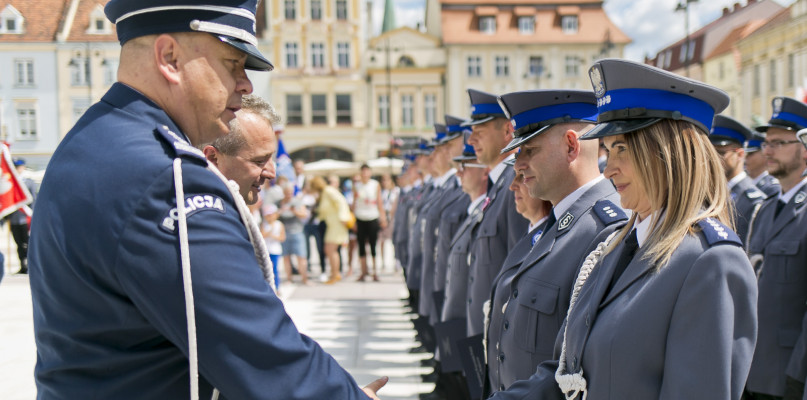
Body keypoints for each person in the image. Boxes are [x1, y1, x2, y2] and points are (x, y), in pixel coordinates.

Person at [27, 1, 386, 398]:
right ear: (169, 58)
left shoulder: (91, 142)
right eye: (233, 63)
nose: (246, 84)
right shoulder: (166, 177)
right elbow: (256, 345)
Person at [491, 58, 757, 400]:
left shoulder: (710, 263)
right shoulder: (614, 249)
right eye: (609, 149)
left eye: (621, 148)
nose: (610, 167)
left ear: (667, 153)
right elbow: (565, 375)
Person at [485, 89, 628, 395]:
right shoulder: (553, 225)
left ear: (571, 145)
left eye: (529, 150)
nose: (518, 164)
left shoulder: (606, 231)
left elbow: (580, 365)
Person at [746, 96, 807, 400]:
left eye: (779, 142)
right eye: (767, 142)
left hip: (789, 374)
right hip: (753, 369)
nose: (767, 150)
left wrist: (797, 374)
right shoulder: (765, 210)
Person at [463, 88, 529, 339]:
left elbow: (519, 266)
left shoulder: (515, 184)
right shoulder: (498, 183)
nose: (471, 141)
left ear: (507, 132)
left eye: (479, 133)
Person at [432, 133, 489, 400]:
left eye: (465, 166)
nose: (459, 173)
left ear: (484, 172)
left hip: (479, 319)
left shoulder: (490, 206)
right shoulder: (475, 208)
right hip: (462, 312)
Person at [202, 94, 278, 206]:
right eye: (260, 161)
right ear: (213, 158)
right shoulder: (200, 220)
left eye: (271, 157)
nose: (272, 173)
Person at [708, 115, 766, 244]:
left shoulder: (754, 200)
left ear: (740, 154)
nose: (714, 159)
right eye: (711, 153)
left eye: (721, 153)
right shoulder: (710, 193)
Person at [311, 175, 352, 285]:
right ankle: (335, 273)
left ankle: (335, 274)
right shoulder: (324, 193)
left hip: (337, 223)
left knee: (330, 249)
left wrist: (343, 217)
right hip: (332, 225)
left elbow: (341, 202)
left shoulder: (328, 191)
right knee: (329, 249)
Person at [353, 164, 386, 281]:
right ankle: (363, 271)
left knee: (373, 245)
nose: (365, 174)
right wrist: (353, 220)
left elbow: (379, 202)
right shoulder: (357, 185)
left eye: (367, 171)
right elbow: (354, 202)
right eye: (363, 171)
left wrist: (383, 217)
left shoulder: (375, 185)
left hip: (372, 216)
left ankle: (375, 272)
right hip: (360, 216)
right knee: (361, 246)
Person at [278, 183, 310, 285]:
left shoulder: (297, 201)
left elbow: (304, 215)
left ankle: (305, 279)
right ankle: (289, 279)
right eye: (287, 193)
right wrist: (280, 211)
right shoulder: (279, 203)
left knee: (301, 257)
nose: (289, 195)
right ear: (283, 193)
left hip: (297, 232)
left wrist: (294, 211)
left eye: (290, 193)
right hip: (285, 233)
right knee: (286, 257)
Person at [8, 158, 36, 274]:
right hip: (15, 217)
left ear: (23, 167)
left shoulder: (28, 182)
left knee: (28, 243)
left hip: (26, 217)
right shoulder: (11, 182)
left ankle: (31, 266)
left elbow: (33, 199)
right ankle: (23, 266)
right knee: (18, 243)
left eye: (19, 167)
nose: (17, 169)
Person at [746, 131, 782, 197]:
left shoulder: (772, 187)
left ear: (764, 154)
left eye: (750, 154)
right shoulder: (747, 182)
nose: (745, 157)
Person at [378, 173, 398, 272]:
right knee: (382, 240)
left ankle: (395, 262)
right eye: (383, 180)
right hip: (383, 217)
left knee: (393, 241)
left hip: (392, 218)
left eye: (387, 180)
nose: (385, 182)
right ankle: (382, 262)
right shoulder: (380, 192)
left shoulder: (395, 191)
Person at [261, 203, 284, 290]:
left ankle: (277, 287)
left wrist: (273, 236)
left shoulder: (279, 224)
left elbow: (282, 237)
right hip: (266, 250)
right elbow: (262, 234)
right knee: (265, 269)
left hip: (275, 250)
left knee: (275, 269)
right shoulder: (264, 224)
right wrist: (269, 233)